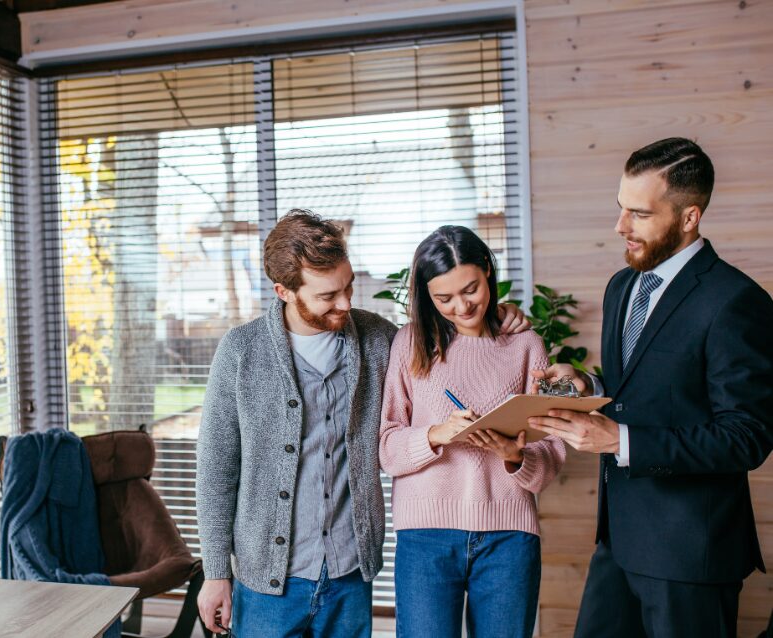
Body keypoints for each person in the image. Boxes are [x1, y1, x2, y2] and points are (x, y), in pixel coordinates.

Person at [195, 210, 529, 637]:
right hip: (266, 584)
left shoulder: (379, 339)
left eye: (348, 286)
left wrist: (498, 315)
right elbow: (216, 468)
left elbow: (452, 343)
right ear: (284, 291)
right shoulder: (242, 351)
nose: (346, 303)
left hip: (349, 577)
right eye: (328, 295)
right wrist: (215, 572)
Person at [528, 137, 773, 638]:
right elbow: (644, 389)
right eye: (621, 208)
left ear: (689, 217)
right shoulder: (622, 286)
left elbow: (746, 437)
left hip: (691, 554)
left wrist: (619, 440)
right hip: (618, 542)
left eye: (639, 214)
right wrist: (588, 383)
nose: (621, 226)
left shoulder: (736, 301)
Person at [379, 225, 566, 638]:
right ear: (426, 294)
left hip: (509, 537)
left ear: (487, 271)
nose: (462, 307)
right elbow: (387, 448)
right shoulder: (409, 343)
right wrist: (436, 434)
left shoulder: (526, 344)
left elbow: (551, 455)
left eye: (471, 290)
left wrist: (514, 456)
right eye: (443, 298)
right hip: (424, 536)